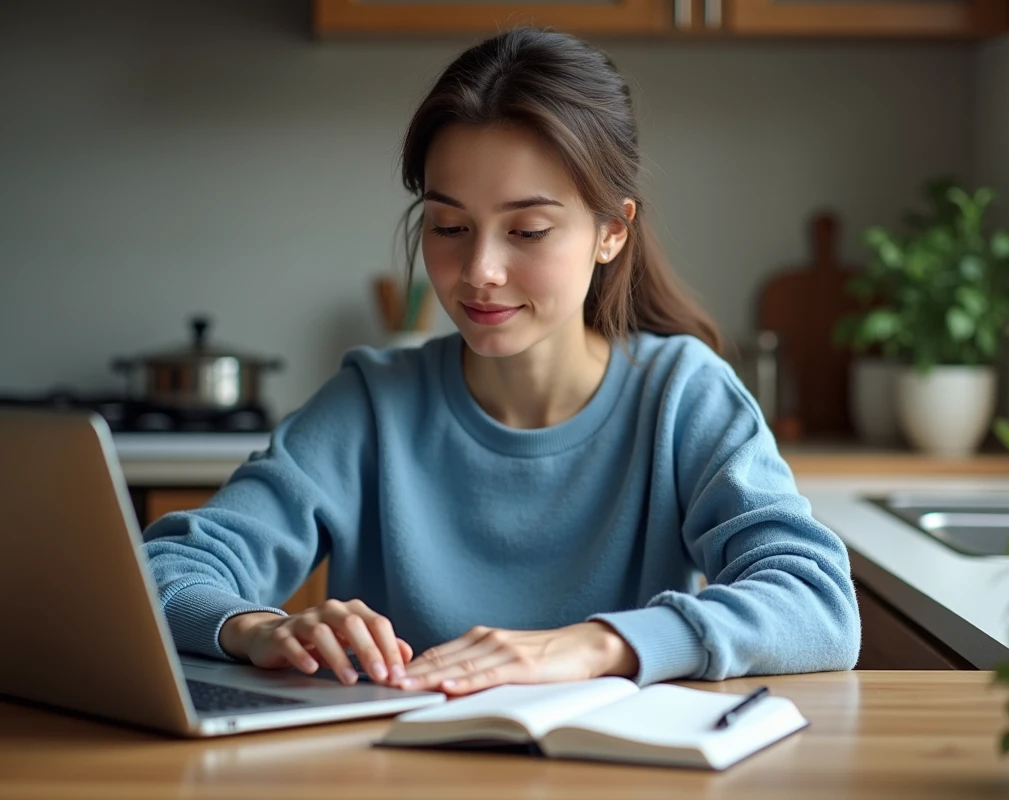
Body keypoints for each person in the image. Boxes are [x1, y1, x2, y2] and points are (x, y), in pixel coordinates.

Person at [142, 27, 860, 697]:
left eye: (529, 230)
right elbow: (158, 573)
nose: (479, 270)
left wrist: (597, 646)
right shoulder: (371, 405)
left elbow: (817, 603)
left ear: (611, 232)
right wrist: (256, 627)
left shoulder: (683, 396)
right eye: (450, 226)